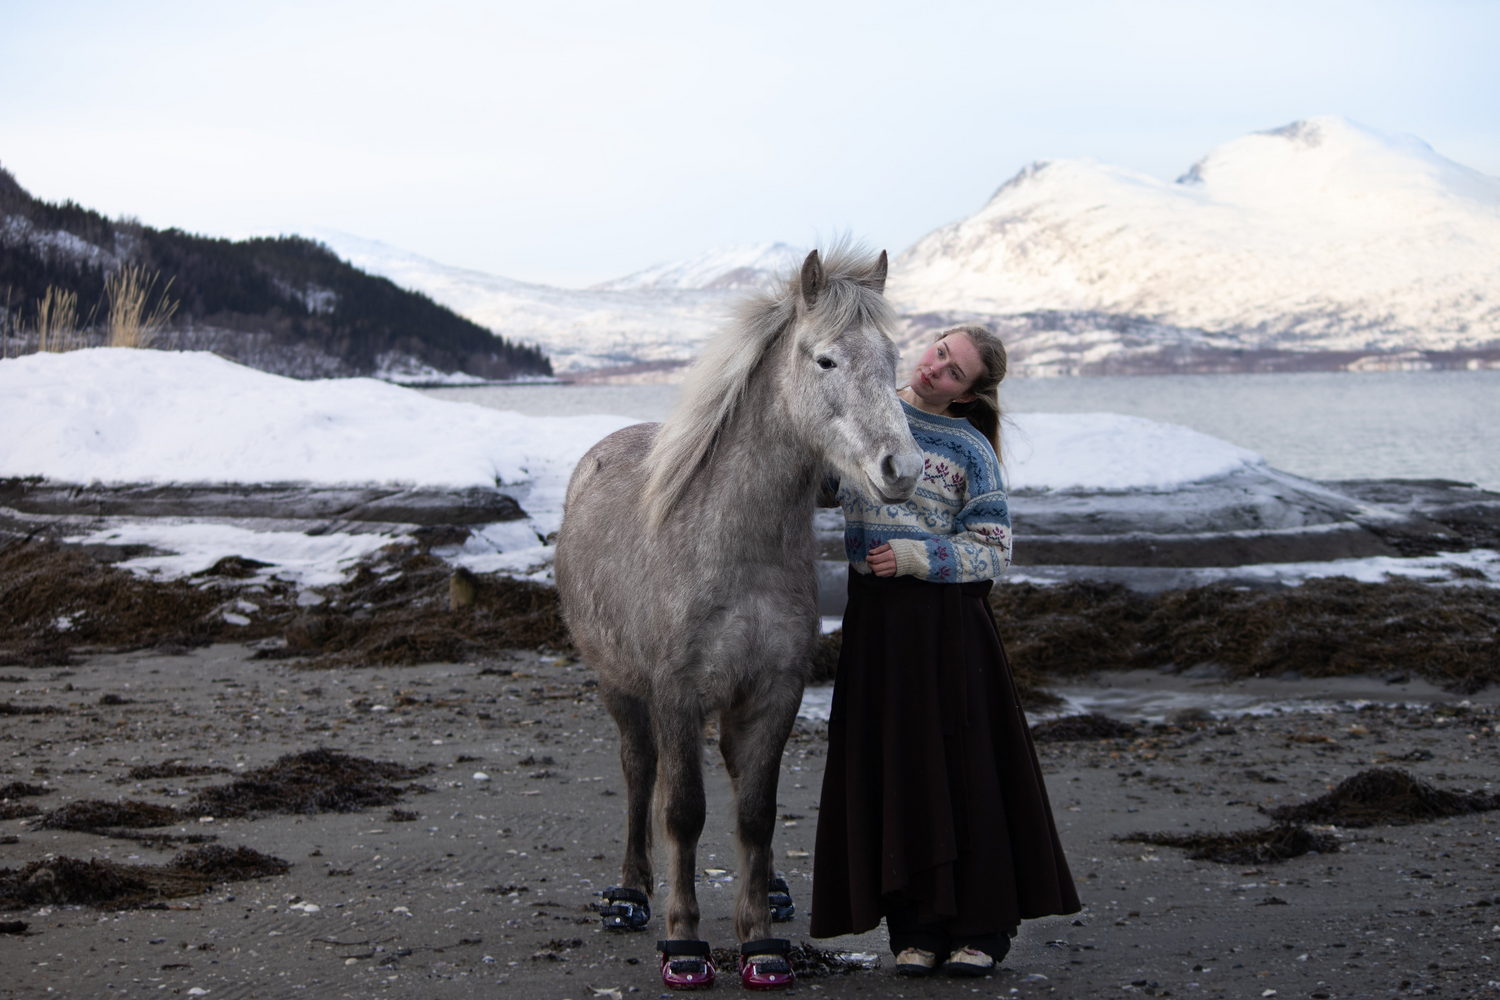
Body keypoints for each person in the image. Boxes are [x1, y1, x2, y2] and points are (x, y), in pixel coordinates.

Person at [809, 324, 1080, 978]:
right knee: (895, 768)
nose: (936, 370)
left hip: (948, 627)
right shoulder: (868, 414)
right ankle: (917, 927)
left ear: (968, 392)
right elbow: (816, 487)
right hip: (875, 627)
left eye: (955, 371)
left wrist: (914, 556)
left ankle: (982, 928)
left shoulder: (967, 448)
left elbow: (993, 547)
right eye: (938, 353)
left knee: (964, 771)